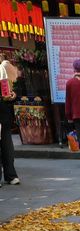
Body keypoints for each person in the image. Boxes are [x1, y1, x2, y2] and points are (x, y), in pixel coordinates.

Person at [0, 53, 20, 186]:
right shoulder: (3, 68)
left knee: (6, 143)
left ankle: (10, 175)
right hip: (4, 110)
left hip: (3, 110)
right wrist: (11, 96)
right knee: (7, 143)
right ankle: (11, 176)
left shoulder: (3, 67)